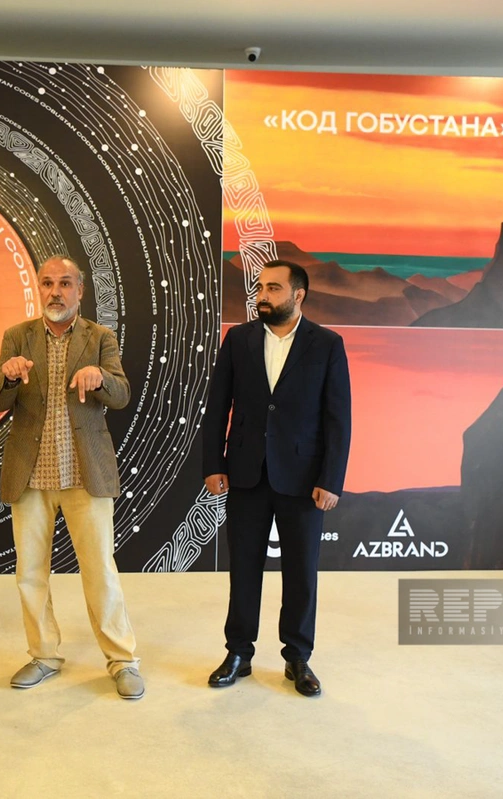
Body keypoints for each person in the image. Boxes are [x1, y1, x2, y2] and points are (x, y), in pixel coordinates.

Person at [0, 255, 145, 700]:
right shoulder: (17, 336)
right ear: (39, 288)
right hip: (30, 474)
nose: (55, 292)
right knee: (30, 573)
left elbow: (121, 394)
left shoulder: (100, 337)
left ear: (80, 290)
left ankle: (122, 660)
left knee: (100, 572)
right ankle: (43, 655)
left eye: (65, 283)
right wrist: (8, 377)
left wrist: (99, 377)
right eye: (47, 283)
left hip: (83, 473)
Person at [203, 260, 351, 697]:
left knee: (301, 572)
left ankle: (298, 657)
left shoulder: (327, 344)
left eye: (273, 288)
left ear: (298, 295)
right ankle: (238, 653)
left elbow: (338, 418)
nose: (262, 296)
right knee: (243, 569)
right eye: (260, 288)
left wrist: (331, 479)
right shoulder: (239, 339)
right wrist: (213, 463)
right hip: (246, 474)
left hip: (304, 480)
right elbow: (218, 406)